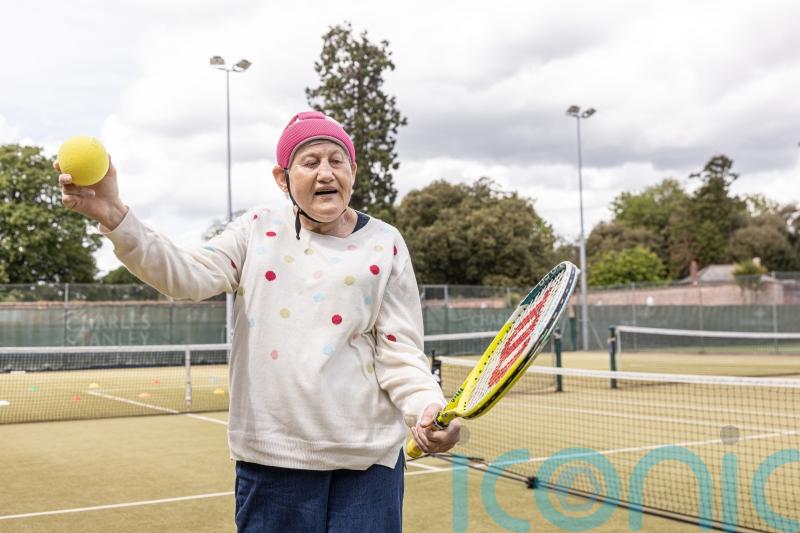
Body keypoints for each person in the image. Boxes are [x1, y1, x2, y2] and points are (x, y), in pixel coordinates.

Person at [57, 110, 461, 532]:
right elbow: (186, 275)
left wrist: (426, 406)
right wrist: (114, 214)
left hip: (369, 466)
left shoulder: (386, 242)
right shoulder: (256, 230)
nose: (326, 172)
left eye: (336, 160)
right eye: (310, 162)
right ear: (282, 178)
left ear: (353, 171)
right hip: (272, 463)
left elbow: (400, 351)